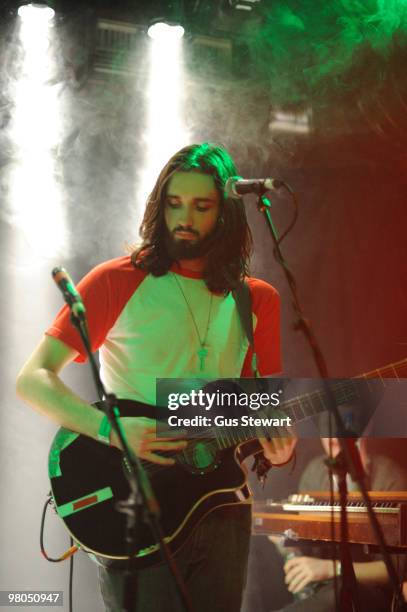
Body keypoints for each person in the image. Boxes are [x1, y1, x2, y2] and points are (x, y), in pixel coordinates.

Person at [16, 143, 295, 612]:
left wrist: (280, 445)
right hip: (136, 499)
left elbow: (261, 410)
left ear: (226, 213)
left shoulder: (257, 299)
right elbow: (33, 379)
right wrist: (112, 429)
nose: (183, 217)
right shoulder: (117, 280)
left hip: (222, 501)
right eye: (174, 203)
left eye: (201, 206)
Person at [277, 437, 407, 612]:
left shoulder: (390, 477)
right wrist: (285, 540)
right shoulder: (314, 472)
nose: (332, 436)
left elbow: (395, 571)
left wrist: (331, 568)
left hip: (371, 593)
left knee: (339, 592)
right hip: (323, 589)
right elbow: (303, 551)